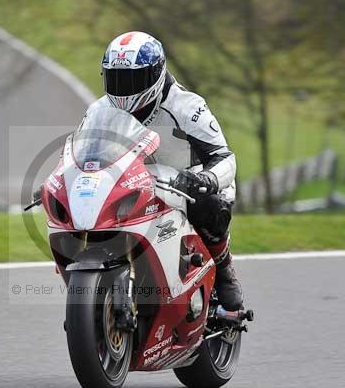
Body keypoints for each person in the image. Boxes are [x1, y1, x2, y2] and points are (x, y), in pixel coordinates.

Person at [89, 30, 244, 311]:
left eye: (134, 80)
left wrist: (207, 179)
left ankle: (224, 269)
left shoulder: (187, 106)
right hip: (133, 183)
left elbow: (225, 157)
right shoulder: (100, 110)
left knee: (208, 204)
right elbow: (83, 153)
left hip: (188, 181)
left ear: (156, 74)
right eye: (117, 79)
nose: (125, 89)